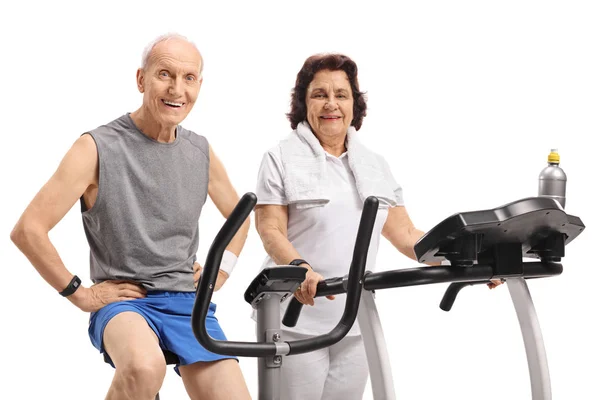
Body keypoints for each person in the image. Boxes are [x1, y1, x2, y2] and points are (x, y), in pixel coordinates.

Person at [10, 33, 252, 400]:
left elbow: (241, 216)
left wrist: (220, 272)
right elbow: (28, 230)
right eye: (164, 74)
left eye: (189, 78)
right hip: (126, 302)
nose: (177, 89)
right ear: (141, 79)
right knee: (144, 367)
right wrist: (81, 294)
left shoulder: (199, 151)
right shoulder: (96, 147)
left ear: (199, 85)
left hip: (188, 302)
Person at [253, 53, 502, 400]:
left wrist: (469, 262)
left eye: (341, 95)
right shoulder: (279, 158)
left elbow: (408, 236)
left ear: (355, 104)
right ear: (303, 103)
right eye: (319, 94)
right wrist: (300, 269)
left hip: (356, 320)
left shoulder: (373, 165)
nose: (331, 104)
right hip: (294, 320)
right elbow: (270, 229)